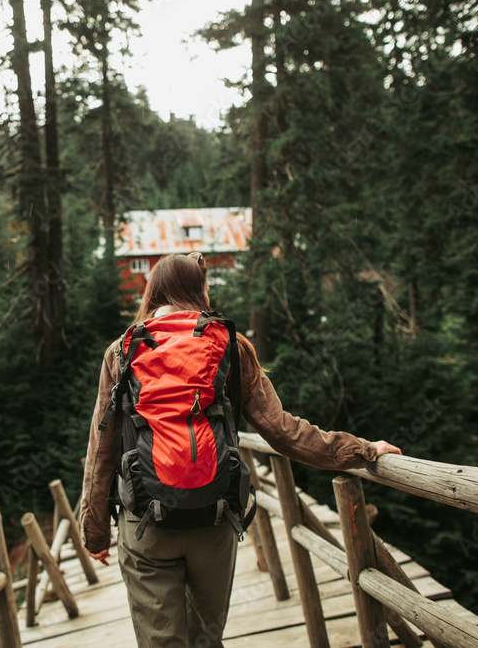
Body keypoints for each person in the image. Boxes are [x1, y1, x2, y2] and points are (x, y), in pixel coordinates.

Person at [78, 252, 403, 648]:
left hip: (145, 522)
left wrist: (94, 532)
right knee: (206, 639)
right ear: (198, 290)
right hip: (215, 517)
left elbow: (102, 450)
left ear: (154, 291)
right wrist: (364, 450)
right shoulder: (229, 344)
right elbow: (283, 432)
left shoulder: (121, 351)